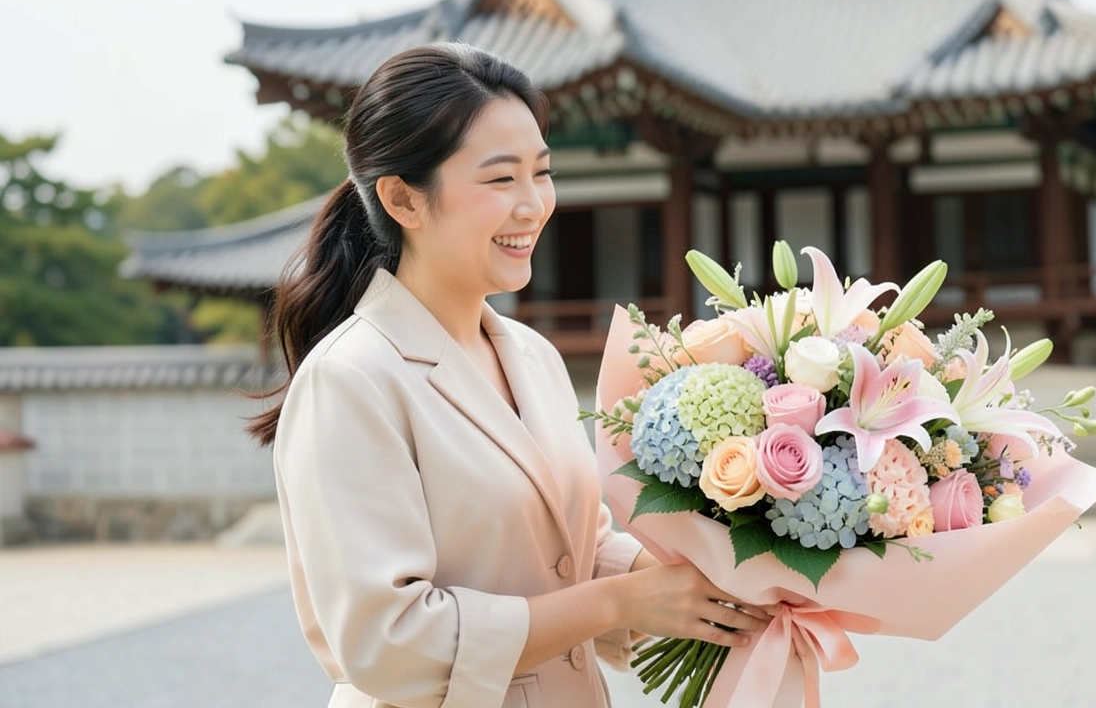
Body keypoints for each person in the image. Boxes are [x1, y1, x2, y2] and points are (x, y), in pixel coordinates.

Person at [246, 42, 768, 708]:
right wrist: (619, 602)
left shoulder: (532, 355)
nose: (533, 205)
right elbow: (387, 643)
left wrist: (701, 575)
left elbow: (567, 547)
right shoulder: (350, 379)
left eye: (541, 173)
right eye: (500, 180)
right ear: (403, 199)